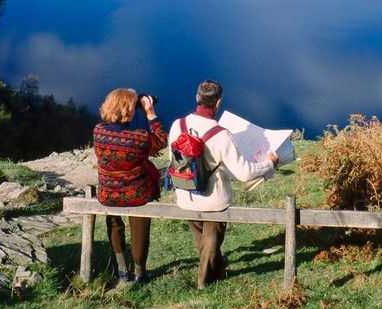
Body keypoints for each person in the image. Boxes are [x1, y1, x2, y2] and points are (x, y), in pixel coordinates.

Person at [169, 78, 278, 289]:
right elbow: (244, 172)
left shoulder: (177, 125)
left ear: (197, 98)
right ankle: (204, 281)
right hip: (213, 199)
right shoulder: (221, 134)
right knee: (211, 239)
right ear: (218, 103)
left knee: (201, 239)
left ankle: (216, 267)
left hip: (185, 193)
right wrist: (270, 164)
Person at [93, 88, 167, 286]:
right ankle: (140, 273)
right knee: (140, 227)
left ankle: (122, 269)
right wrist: (150, 113)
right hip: (137, 193)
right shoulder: (140, 138)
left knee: (115, 224)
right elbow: (161, 141)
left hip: (108, 192)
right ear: (129, 110)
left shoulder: (98, 131)